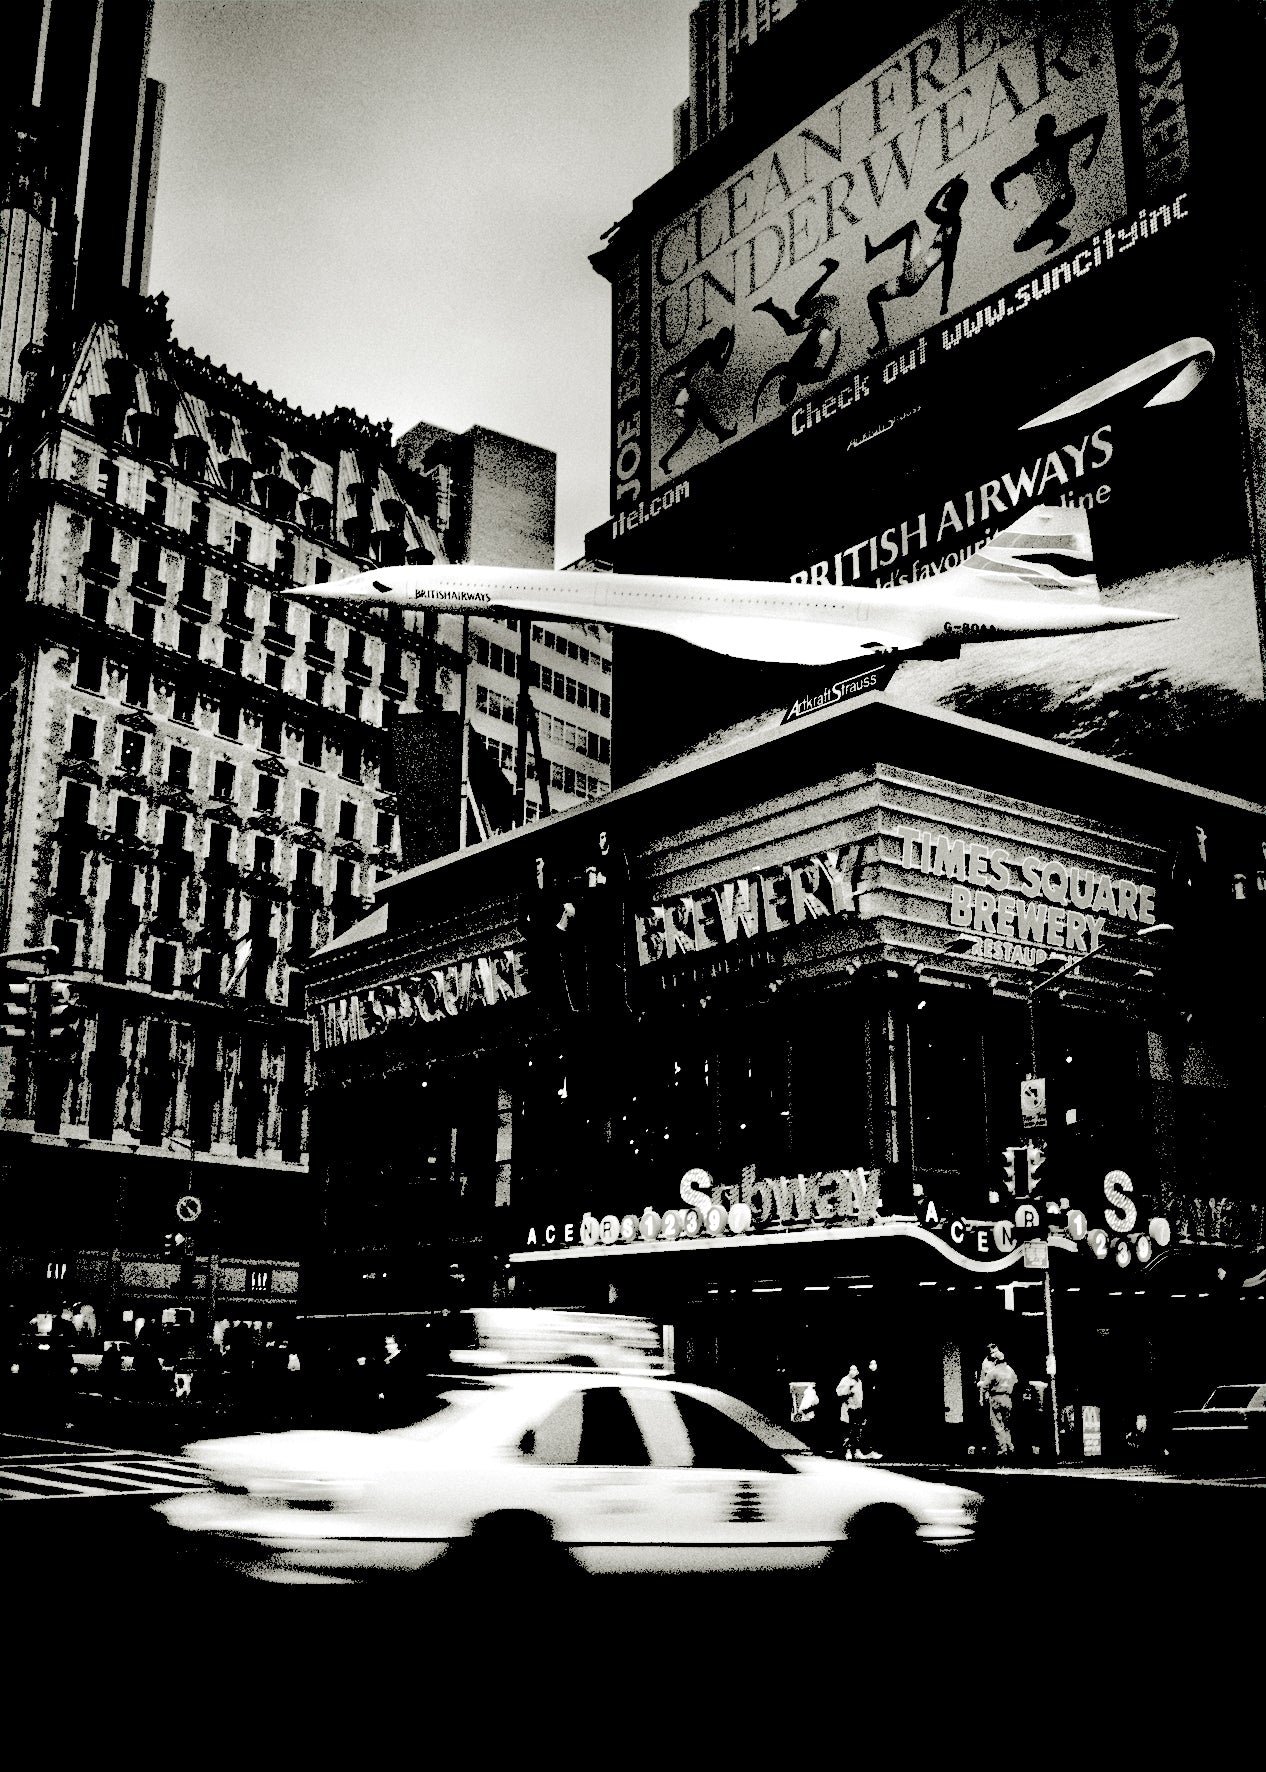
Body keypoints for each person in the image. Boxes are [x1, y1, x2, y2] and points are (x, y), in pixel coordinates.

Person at [864, 175, 969, 353]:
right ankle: (883, 340)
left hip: (915, 274)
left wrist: (944, 302)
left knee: (912, 227)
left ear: (954, 197)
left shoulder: (953, 222)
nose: (945, 196)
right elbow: (930, 213)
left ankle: (874, 252)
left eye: (949, 193)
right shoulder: (951, 223)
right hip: (914, 272)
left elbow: (929, 211)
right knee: (872, 297)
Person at [991, 111, 1108, 256]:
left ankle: (1059, 233)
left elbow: (1100, 120)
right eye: (1038, 128)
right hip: (1048, 206)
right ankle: (1057, 233)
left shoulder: (1060, 143)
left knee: (1028, 234)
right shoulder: (1032, 158)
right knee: (1019, 244)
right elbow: (997, 181)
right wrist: (1004, 202)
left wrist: (1091, 154)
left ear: (1048, 130)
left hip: (1064, 199)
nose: (1037, 132)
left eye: (1041, 128)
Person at [977, 1343, 1019, 1459]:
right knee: (1007, 1425)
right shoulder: (1010, 1370)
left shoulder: (993, 1371)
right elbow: (1015, 1382)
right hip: (1008, 1398)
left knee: (997, 1424)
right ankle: (1010, 1447)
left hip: (996, 1398)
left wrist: (981, 1386)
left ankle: (1002, 1450)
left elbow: (985, 1384)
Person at [836, 1365, 865, 1460]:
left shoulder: (859, 1381)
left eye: (855, 1369)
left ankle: (857, 1451)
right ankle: (848, 1451)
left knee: (857, 1430)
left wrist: (860, 1406)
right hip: (848, 1409)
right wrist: (848, 1389)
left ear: (858, 1371)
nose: (852, 1371)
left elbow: (860, 1396)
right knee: (848, 1430)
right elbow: (839, 1392)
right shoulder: (845, 1380)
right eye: (851, 1369)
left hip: (857, 1408)